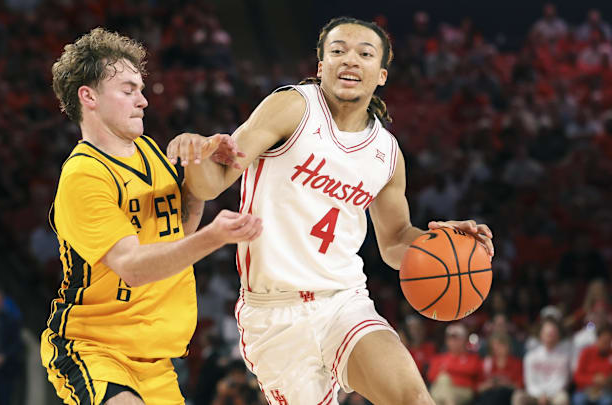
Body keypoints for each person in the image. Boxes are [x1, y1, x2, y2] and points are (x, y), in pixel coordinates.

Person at [167, 16, 493, 405]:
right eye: (337, 51)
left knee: (415, 399)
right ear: (321, 67)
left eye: (364, 53)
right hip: (274, 313)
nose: (350, 60)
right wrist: (195, 152)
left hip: (344, 300)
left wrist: (438, 242)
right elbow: (213, 182)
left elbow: (393, 243)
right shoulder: (291, 107)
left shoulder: (387, 153)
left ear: (382, 74)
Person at [39, 28, 262, 405]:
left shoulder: (150, 152)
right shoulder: (83, 175)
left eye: (141, 90)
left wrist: (197, 159)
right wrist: (214, 237)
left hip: (156, 362)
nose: (143, 101)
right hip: (95, 349)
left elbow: (177, 234)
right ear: (88, 96)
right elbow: (133, 267)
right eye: (128, 90)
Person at [512, 319, 571, 405]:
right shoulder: (531, 356)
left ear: (558, 335)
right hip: (534, 394)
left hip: (554, 394)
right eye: (547, 333)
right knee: (518, 397)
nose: (550, 336)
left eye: (552, 333)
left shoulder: (564, 356)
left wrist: (547, 395)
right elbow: (529, 382)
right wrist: (540, 395)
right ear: (541, 335)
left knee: (562, 398)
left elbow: (562, 382)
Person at [427, 323, 483, 405]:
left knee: (441, 386)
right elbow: (431, 376)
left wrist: (447, 368)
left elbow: (472, 370)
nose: (453, 342)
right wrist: (457, 370)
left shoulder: (473, 358)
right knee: (443, 380)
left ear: (464, 340)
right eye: (450, 338)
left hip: (463, 390)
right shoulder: (438, 358)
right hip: (442, 390)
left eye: (457, 338)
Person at [572, 324, 612, 405]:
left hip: (605, 391)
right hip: (585, 390)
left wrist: (607, 380)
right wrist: (593, 379)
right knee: (579, 400)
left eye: (609, 341)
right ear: (598, 339)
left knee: (607, 401)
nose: (606, 345)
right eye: (604, 341)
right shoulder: (587, 352)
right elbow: (577, 376)